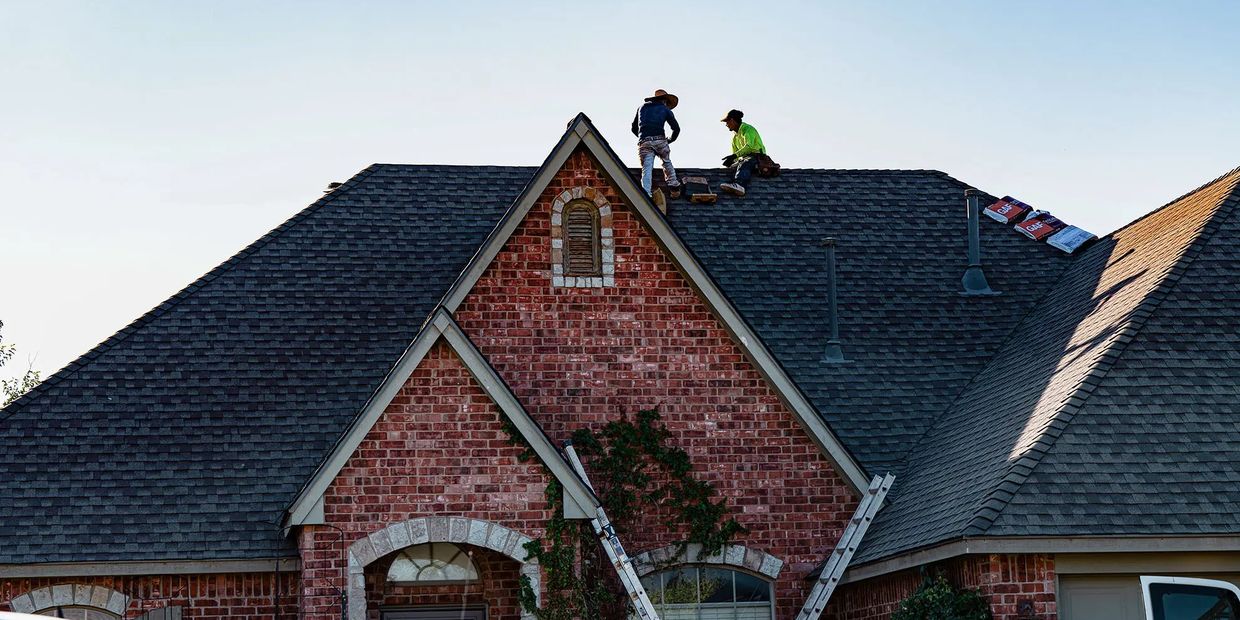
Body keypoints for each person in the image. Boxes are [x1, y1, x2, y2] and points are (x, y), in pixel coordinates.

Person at [631, 89, 681, 197]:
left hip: (644, 141)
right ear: (664, 100)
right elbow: (676, 129)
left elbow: (634, 128)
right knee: (666, 160)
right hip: (660, 139)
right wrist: (670, 140)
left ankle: (646, 194)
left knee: (647, 168)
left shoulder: (641, 108)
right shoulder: (665, 109)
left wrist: (643, 137)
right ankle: (674, 185)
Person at [719, 109, 765, 197]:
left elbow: (749, 147)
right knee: (734, 167)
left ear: (732, 120)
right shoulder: (735, 138)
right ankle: (734, 183)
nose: (726, 125)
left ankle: (740, 185)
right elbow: (737, 155)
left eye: (727, 122)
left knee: (745, 162)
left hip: (758, 157)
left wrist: (734, 156)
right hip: (745, 159)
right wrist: (732, 161)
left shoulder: (748, 129)